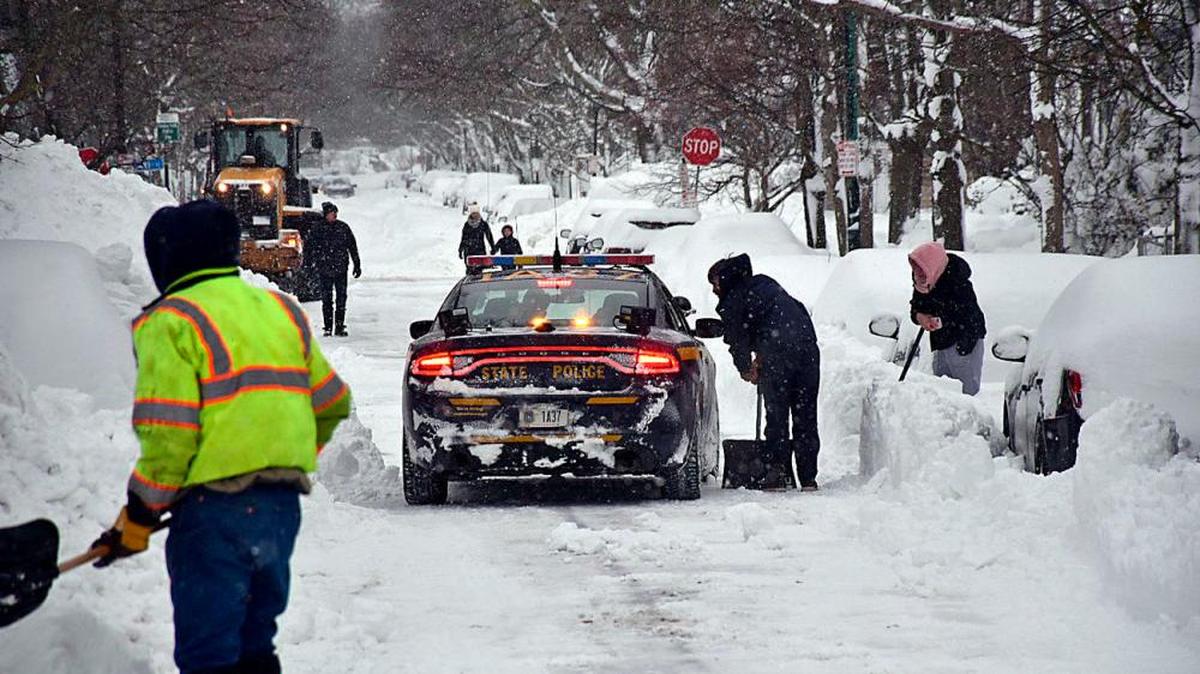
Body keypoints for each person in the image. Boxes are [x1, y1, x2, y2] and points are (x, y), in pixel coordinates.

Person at [91, 199, 351, 674]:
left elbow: (168, 432)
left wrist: (142, 510)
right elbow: (332, 401)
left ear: (167, 261)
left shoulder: (171, 320)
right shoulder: (279, 310)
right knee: (255, 646)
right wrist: (282, 455)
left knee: (208, 655)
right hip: (279, 510)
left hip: (213, 515)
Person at [708, 253, 821, 491]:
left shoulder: (734, 298)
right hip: (808, 350)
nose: (714, 290)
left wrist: (746, 368)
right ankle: (808, 477)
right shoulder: (764, 284)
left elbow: (737, 338)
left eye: (714, 284)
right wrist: (763, 351)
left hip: (778, 353)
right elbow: (780, 316)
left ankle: (776, 473)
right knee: (805, 415)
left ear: (724, 279)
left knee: (777, 414)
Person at [908, 241, 987, 395]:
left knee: (965, 396)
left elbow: (966, 316)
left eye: (921, 269)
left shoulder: (958, 282)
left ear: (932, 265)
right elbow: (916, 306)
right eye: (916, 269)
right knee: (942, 393)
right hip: (941, 342)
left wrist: (940, 321)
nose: (918, 273)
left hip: (964, 343)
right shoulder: (923, 281)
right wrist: (920, 317)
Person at [306, 202, 361, 337]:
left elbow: (352, 246)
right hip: (324, 269)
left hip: (341, 268)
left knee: (341, 298)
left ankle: (339, 326)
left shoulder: (343, 228)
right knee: (327, 299)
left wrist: (357, 264)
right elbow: (309, 248)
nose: (334, 215)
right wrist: (309, 265)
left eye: (335, 212)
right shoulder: (317, 229)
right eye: (331, 213)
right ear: (326, 214)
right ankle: (328, 327)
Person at [458, 203, 495, 272]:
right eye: (473, 213)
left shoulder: (483, 224)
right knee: (470, 269)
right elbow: (463, 238)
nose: (475, 215)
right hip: (469, 250)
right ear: (471, 214)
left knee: (480, 269)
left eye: (476, 213)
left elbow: (489, 236)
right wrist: (460, 249)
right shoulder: (467, 225)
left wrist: (493, 247)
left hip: (480, 250)